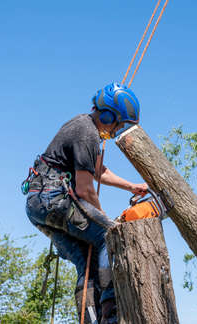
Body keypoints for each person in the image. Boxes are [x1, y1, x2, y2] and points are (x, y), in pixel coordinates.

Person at [24, 82, 147, 324]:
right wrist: (102, 217)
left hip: (38, 204)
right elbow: (85, 189)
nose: (117, 130)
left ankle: (89, 318)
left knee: (86, 260)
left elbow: (98, 170)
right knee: (111, 236)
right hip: (54, 199)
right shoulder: (86, 131)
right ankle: (110, 312)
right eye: (118, 123)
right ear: (109, 114)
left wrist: (131, 186)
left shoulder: (83, 127)